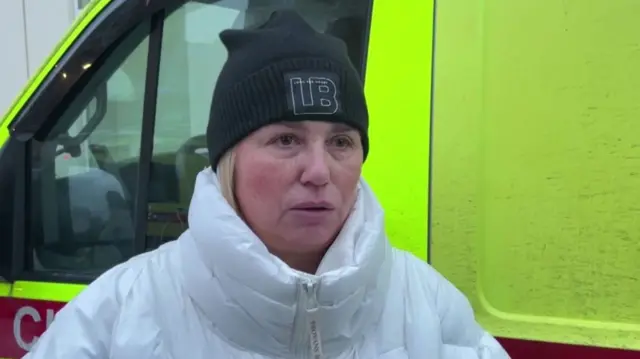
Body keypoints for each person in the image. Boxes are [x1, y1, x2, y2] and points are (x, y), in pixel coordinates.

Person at [23, 10, 510, 359]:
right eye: (285, 140)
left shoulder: (428, 305)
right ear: (228, 160)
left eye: (340, 141)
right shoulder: (116, 318)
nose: (318, 171)